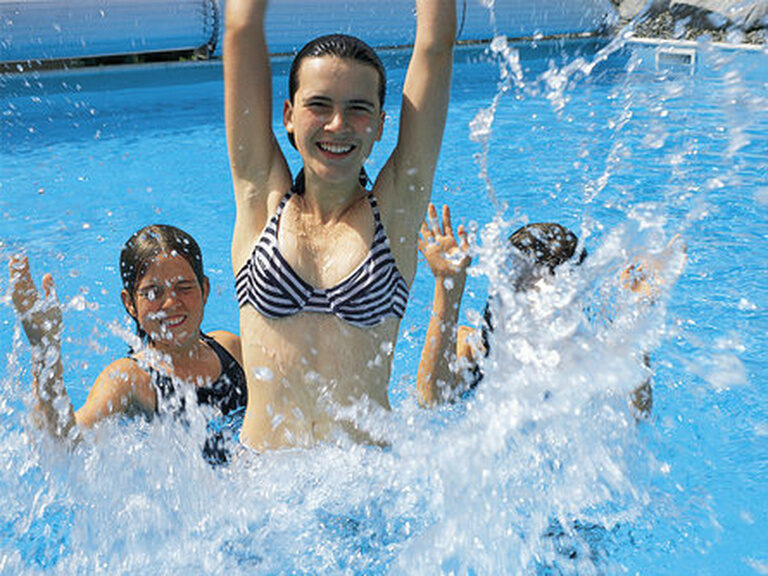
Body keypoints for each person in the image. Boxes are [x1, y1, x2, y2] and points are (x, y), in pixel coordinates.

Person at [224, 0, 456, 449]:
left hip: (366, 488)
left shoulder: (394, 215)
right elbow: (240, 27)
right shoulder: (261, 201)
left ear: (381, 125)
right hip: (261, 491)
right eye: (319, 105)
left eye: (358, 109)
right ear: (289, 115)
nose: (337, 124)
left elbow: (436, 48)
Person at [416, 203, 685, 416]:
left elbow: (636, 413)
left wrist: (636, 316)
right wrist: (447, 289)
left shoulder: (578, 353)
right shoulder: (473, 348)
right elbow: (431, 400)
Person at [9, 224, 246, 464]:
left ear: (205, 289)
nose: (171, 303)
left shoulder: (230, 348)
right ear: (130, 303)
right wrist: (44, 347)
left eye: (184, 288)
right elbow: (63, 443)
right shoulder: (128, 379)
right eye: (153, 292)